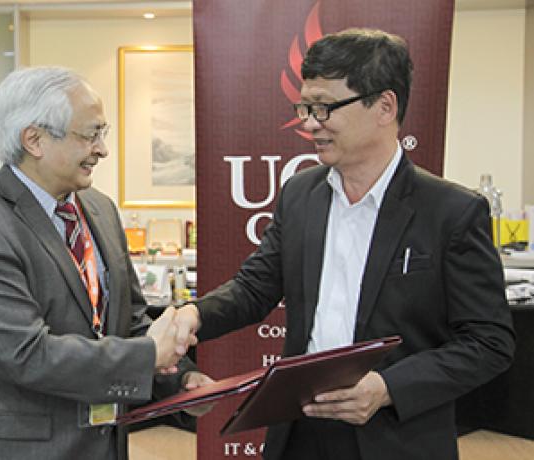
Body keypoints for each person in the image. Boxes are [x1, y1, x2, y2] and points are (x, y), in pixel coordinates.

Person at [173, 28, 515, 460]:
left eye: (324, 108)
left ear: (384, 107)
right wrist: (192, 315)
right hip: (298, 432)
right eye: (305, 107)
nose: (309, 122)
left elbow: (488, 343)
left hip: (397, 437)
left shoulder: (451, 211)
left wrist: (388, 388)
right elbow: (255, 287)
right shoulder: (300, 195)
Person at [0, 66, 210, 460]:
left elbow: (129, 319)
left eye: (103, 133)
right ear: (35, 140)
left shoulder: (99, 209)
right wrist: (149, 356)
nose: (102, 149)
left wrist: (180, 379)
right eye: (90, 134)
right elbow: (26, 354)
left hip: (101, 442)